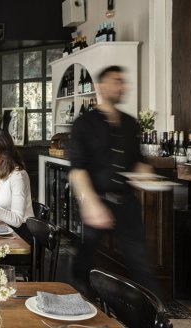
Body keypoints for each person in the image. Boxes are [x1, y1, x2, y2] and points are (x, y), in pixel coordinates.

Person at [69, 65, 159, 296]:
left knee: (141, 262)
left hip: (126, 202)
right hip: (96, 199)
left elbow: (136, 162)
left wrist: (149, 176)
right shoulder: (83, 124)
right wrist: (90, 203)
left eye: (122, 81)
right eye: (115, 81)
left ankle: (155, 314)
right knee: (85, 259)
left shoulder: (130, 124)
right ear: (100, 86)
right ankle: (79, 299)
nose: (121, 86)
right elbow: (77, 169)